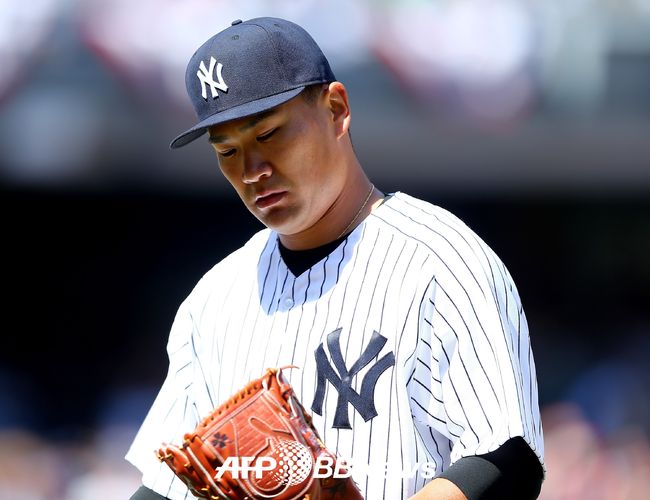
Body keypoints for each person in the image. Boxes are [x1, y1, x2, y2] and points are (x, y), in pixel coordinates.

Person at [126, 17, 545, 500]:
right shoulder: (213, 301)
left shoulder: (440, 260)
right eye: (228, 150)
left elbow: (505, 460)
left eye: (269, 134)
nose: (252, 170)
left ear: (336, 109)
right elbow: (164, 490)